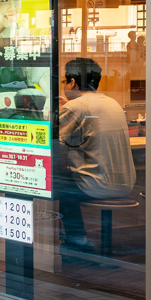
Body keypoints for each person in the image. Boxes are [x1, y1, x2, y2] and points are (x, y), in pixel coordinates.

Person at [55, 57, 135, 252]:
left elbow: (52, 139)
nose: (65, 86)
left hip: (97, 186)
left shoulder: (75, 107)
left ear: (72, 82)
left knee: (57, 182)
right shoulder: (112, 102)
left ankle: (76, 238)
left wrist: (59, 111)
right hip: (126, 183)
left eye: (65, 81)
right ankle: (77, 237)